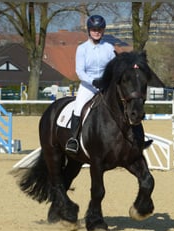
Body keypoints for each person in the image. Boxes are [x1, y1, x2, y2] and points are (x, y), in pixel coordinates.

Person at [65, 14, 152, 153]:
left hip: (107, 86)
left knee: (127, 106)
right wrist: (93, 81)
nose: (97, 32)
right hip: (88, 86)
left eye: (99, 29)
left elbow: (116, 67)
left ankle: (138, 139)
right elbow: (79, 71)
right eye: (94, 29)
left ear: (103, 30)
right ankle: (73, 140)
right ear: (89, 30)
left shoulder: (109, 47)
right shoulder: (82, 49)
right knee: (78, 108)